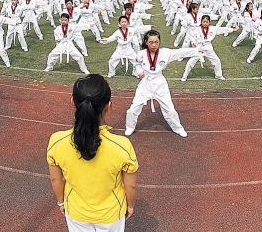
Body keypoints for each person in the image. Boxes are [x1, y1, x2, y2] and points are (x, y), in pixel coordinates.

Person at [47, 75, 138, 231]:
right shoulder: (122, 145)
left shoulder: (57, 141)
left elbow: (56, 179)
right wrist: (130, 205)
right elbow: (131, 185)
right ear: (108, 106)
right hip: (110, 214)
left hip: (76, 212)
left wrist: (61, 202)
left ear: (72, 102)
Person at [124, 29, 201, 138]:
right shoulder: (141, 54)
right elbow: (136, 63)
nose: (154, 45)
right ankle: (130, 127)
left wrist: (196, 51)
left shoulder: (165, 53)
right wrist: (139, 72)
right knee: (133, 108)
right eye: (151, 42)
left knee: (170, 109)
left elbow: (180, 52)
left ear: (159, 42)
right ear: (146, 42)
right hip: (145, 84)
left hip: (160, 83)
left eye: (156, 42)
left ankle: (177, 128)